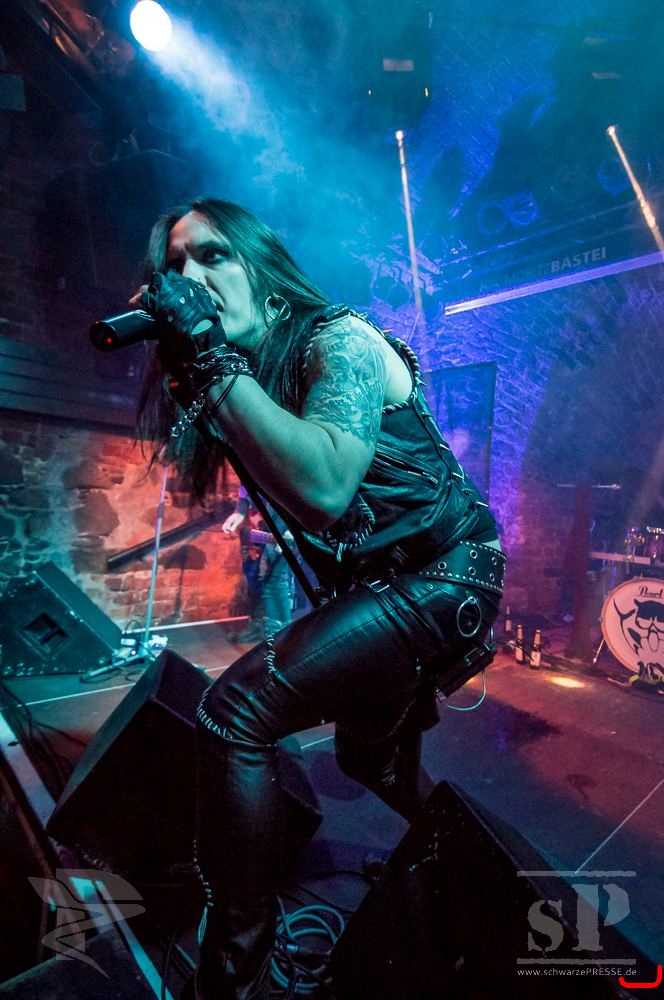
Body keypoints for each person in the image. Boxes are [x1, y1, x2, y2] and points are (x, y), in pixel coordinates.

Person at [132, 198, 505, 1000]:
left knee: (235, 713)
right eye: (174, 267)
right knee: (369, 761)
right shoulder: (255, 377)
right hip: (386, 585)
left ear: (263, 269)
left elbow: (327, 483)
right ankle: (470, 877)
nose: (190, 278)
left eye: (212, 256)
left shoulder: (340, 340)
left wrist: (209, 355)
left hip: (446, 575)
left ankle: (234, 977)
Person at [222, 484, 295, 641]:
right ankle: (261, 626)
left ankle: (281, 635)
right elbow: (245, 492)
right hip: (262, 524)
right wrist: (239, 512)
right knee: (254, 575)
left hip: (282, 520)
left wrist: (290, 527)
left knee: (273, 577)